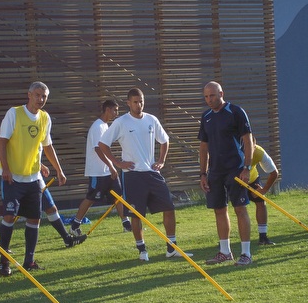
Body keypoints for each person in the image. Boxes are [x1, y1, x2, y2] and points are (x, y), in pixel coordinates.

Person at [99, 88, 193, 261]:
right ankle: (142, 250)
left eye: (141, 101)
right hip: (132, 175)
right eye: (135, 101)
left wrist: (161, 160)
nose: (139, 104)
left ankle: (171, 248)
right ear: (128, 103)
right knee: (136, 214)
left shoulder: (152, 119)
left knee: (169, 207)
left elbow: (164, 140)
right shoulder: (121, 122)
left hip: (152, 173)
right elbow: (103, 144)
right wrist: (118, 163)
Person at [0, 81, 66, 276]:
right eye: (37, 95)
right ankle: (4, 263)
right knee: (9, 216)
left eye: (44, 96)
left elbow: (47, 146)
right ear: (29, 95)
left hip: (33, 178)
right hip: (12, 178)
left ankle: (29, 261)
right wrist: (6, 169)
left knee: (35, 219)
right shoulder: (14, 113)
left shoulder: (45, 118)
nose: (41, 99)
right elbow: (2, 142)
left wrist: (58, 170)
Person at [198, 81, 253, 266]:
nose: (209, 99)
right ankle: (224, 251)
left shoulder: (236, 112)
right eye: (206, 96)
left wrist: (247, 167)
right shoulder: (205, 117)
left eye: (212, 95)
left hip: (235, 168)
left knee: (240, 208)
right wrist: (203, 174)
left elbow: (248, 140)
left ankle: (245, 253)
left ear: (221, 93)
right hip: (215, 171)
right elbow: (203, 147)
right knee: (219, 210)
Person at [70, 99, 132, 236]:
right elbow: (98, 149)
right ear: (108, 110)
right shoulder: (97, 127)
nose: (116, 113)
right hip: (97, 171)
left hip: (108, 171)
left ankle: (126, 224)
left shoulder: (105, 126)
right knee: (91, 198)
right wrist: (111, 165)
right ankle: (75, 225)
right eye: (115, 110)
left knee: (118, 196)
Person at [39, 163, 87, 247]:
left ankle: (68, 239)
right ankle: (7, 247)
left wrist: (42, 166)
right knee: (11, 216)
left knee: (51, 209)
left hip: (36, 179)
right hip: (19, 180)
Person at [249, 136, 279, 245]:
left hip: (252, 179)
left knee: (261, 202)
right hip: (234, 180)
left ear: (254, 145)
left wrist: (264, 190)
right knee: (239, 208)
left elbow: (274, 173)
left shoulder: (259, 152)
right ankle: (224, 242)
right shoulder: (233, 151)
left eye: (250, 147)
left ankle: (263, 237)